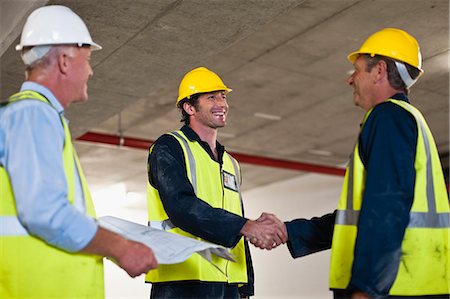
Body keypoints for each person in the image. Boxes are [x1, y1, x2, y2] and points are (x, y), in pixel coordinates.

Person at [276, 28, 450, 299]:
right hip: (410, 285)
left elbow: (387, 207)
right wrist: (290, 231)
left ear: (379, 70)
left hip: (394, 289)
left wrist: (368, 289)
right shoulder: (404, 119)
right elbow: (362, 216)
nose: (350, 79)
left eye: (357, 69)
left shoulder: (388, 118)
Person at [0, 5, 158, 298]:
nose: (91, 70)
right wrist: (121, 247)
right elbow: (45, 212)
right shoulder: (34, 114)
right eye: (87, 59)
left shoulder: (37, 116)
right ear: (64, 61)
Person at [146, 66, 287, 298]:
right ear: (189, 107)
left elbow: (237, 218)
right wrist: (247, 225)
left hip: (229, 282)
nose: (222, 103)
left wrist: (245, 287)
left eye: (223, 96)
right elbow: (181, 206)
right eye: (211, 97)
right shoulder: (169, 147)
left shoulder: (231, 163)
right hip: (184, 279)